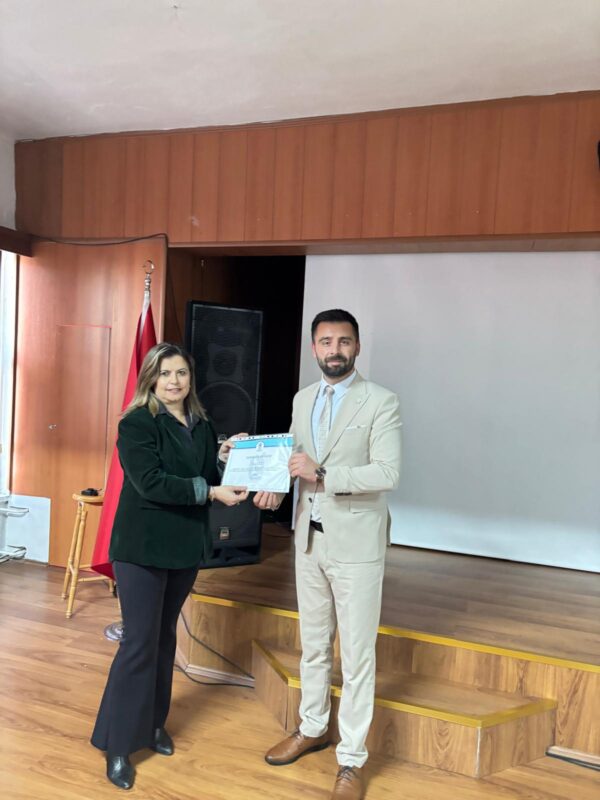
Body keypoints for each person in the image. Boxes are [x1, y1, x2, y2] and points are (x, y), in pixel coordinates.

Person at [254, 309, 401, 800]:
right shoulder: (302, 399)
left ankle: (352, 759)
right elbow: (292, 460)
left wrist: (323, 474)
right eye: (325, 342)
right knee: (313, 644)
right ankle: (313, 726)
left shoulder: (381, 401)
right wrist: (272, 486)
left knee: (356, 656)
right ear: (313, 347)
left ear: (357, 346)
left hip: (357, 545)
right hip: (308, 541)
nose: (334, 350)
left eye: (343, 341)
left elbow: (388, 472)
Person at [91, 342, 247, 790]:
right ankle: (118, 744)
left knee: (164, 641)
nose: (174, 381)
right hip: (141, 549)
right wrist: (210, 492)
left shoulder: (201, 423)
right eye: (165, 373)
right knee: (139, 643)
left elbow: (208, 475)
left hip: (183, 549)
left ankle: (152, 726)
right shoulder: (137, 423)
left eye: (181, 373)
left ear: (190, 378)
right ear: (151, 379)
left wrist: (222, 458)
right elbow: (151, 483)